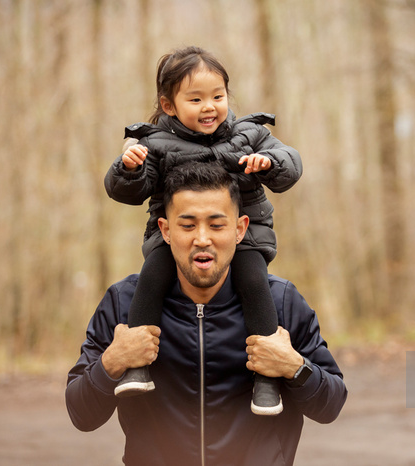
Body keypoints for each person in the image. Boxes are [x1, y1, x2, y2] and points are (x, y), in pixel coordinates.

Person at [66, 161, 347, 465]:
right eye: (187, 225)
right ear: (166, 230)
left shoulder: (280, 302)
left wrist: (294, 367)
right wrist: (113, 362)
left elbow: (330, 406)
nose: (202, 239)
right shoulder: (124, 303)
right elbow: (82, 414)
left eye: (216, 225)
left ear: (240, 229)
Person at [104, 46, 302, 414]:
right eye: (195, 99)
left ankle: (267, 379)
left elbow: (290, 166)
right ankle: (137, 365)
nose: (209, 106)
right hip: (174, 241)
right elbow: (127, 191)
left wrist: (269, 162)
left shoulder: (250, 133)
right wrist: (128, 169)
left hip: (246, 236)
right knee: (152, 277)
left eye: (217, 96)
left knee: (255, 284)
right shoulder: (154, 143)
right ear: (169, 105)